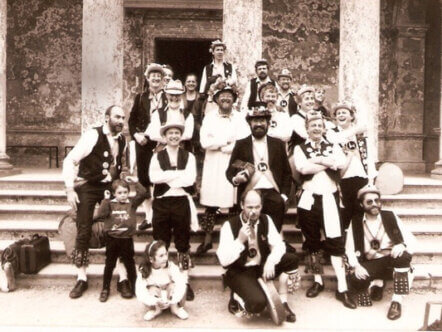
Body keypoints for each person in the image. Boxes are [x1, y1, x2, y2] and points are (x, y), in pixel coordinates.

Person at [63, 105, 128, 299]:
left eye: (123, 118)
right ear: (107, 117)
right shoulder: (92, 135)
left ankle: (122, 277)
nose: (121, 121)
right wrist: (69, 189)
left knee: (119, 227)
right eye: (117, 117)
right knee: (83, 228)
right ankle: (81, 277)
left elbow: (117, 165)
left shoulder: (122, 138)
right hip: (89, 186)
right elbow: (70, 160)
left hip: (108, 187)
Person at [294, 113, 356, 309]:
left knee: (335, 241)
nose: (317, 128)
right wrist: (326, 161)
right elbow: (302, 169)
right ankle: (318, 281)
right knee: (312, 240)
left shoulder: (334, 146)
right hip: (308, 198)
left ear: (324, 128)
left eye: (320, 125)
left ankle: (342, 288)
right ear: (307, 128)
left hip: (329, 197)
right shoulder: (300, 148)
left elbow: (340, 164)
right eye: (313, 125)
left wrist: (319, 160)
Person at [217, 189, 299, 322]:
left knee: (291, 259)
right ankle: (237, 295)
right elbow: (223, 260)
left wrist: (271, 261)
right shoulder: (229, 225)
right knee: (257, 304)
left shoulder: (266, 219)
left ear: (261, 206)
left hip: (261, 266)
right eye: (249, 207)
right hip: (240, 271)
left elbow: (279, 245)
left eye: (257, 207)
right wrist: (239, 240)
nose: (253, 211)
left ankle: (283, 302)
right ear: (242, 205)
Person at [346, 185, 417, 320]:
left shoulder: (390, 216)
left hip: (391, 260)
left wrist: (402, 244)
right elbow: (349, 248)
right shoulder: (355, 221)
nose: (374, 204)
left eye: (377, 200)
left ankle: (396, 302)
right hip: (370, 263)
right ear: (361, 204)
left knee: (404, 256)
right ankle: (378, 283)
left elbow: (411, 239)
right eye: (369, 201)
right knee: (355, 279)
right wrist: (356, 266)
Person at [149, 119, 198, 301]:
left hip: (180, 202)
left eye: (177, 133)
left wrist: (167, 177)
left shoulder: (189, 157)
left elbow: (190, 179)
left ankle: (184, 281)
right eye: (170, 133)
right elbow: (153, 176)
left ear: (181, 136)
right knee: (161, 242)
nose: (174, 136)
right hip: (162, 203)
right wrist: (177, 174)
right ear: (165, 136)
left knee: (183, 242)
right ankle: (161, 280)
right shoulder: (157, 156)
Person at [197, 85, 250, 255]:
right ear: (216, 98)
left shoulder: (240, 118)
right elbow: (205, 142)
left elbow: (244, 140)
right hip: (213, 163)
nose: (226, 99)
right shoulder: (210, 117)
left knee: (234, 201)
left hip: (234, 162)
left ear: (234, 99)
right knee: (212, 202)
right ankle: (207, 239)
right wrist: (224, 141)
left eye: (229, 96)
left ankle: (233, 238)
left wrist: (230, 147)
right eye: (222, 96)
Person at [226, 106, 292, 233]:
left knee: (274, 230)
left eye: (262, 121)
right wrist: (236, 179)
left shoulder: (278, 144)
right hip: (250, 192)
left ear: (268, 123)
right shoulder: (241, 144)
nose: (259, 124)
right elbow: (230, 171)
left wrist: (283, 196)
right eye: (255, 121)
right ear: (249, 123)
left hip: (273, 193)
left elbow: (287, 173)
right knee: (250, 230)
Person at [95, 178, 150, 302]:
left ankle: (136, 287)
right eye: (120, 193)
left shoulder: (132, 203)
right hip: (112, 239)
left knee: (130, 264)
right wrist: (105, 199)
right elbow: (101, 214)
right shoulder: (109, 204)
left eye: (125, 192)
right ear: (114, 193)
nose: (123, 195)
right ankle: (105, 288)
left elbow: (143, 193)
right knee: (109, 264)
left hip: (127, 239)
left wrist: (136, 182)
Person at [128, 63, 168, 231]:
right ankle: (149, 217)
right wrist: (136, 135)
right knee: (145, 181)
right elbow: (131, 121)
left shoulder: (169, 97)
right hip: (143, 143)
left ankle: (161, 217)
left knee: (161, 179)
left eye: (159, 76)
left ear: (163, 79)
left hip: (162, 143)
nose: (156, 79)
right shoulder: (140, 97)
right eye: (153, 76)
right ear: (148, 79)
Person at [326, 101, 377, 229]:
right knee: (344, 212)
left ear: (351, 116)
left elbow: (369, 157)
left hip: (361, 177)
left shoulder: (360, 136)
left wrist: (370, 180)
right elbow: (335, 139)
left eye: (344, 112)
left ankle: (358, 243)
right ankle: (343, 244)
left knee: (360, 211)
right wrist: (355, 129)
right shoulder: (331, 132)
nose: (341, 115)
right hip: (342, 178)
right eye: (338, 113)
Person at [136, 240, 189, 321]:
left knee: (173, 285)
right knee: (151, 289)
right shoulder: (144, 270)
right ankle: (156, 310)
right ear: (151, 259)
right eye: (161, 256)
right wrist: (155, 301)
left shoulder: (170, 266)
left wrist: (173, 299)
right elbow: (140, 291)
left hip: (170, 295)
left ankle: (175, 309)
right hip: (157, 296)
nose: (165, 258)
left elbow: (181, 283)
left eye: (166, 254)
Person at [146, 79, 194, 151]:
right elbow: (153, 134)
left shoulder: (188, 115)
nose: (174, 98)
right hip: (162, 150)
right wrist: (169, 140)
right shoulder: (157, 113)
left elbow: (188, 134)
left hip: (182, 151)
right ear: (166, 95)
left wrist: (171, 139)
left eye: (177, 95)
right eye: (171, 94)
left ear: (181, 95)